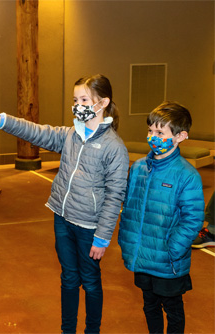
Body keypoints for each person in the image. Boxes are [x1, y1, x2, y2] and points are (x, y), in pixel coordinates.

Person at [0, 74, 129, 333]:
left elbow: (115, 195)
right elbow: (36, 131)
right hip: (62, 217)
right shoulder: (70, 135)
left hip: (89, 227)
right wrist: (0, 120)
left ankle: (92, 330)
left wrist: (103, 238)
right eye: (75, 99)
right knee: (69, 279)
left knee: (90, 282)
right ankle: (67, 330)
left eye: (84, 100)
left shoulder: (114, 147)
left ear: (102, 103)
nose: (77, 105)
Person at [118, 101, 205, 334]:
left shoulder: (187, 175)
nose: (153, 136)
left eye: (160, 132)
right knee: (150, 305)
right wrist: (127, 241)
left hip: (168, 260)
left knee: (173, 308)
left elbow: (192, 219)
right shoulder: (137, 168)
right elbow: (128, 206)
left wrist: (172, 249)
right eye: (150, 131)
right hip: (142, 255)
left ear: (180, 136)